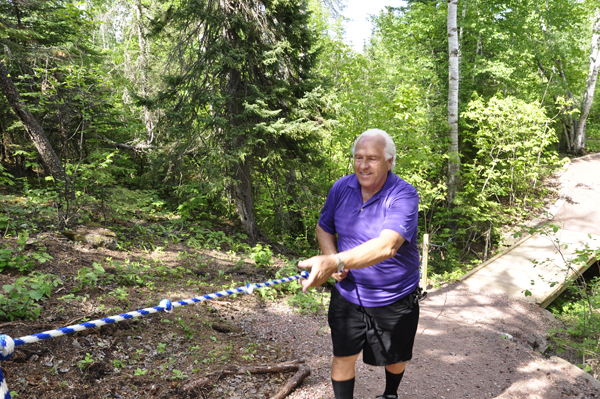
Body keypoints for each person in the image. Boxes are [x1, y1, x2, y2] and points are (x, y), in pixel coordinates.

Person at [298, 129, 421, 399]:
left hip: (394, 296)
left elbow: (387, 246)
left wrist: (335, 260)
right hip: (348, 295)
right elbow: (324, 227)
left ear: (389, 162)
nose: (363, 165)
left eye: (372, 159)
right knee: (342, 357)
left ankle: (390, 394)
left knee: (394, 358)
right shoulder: (342, 187)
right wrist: (334, 259)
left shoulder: (404, 195)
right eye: (358, 157)